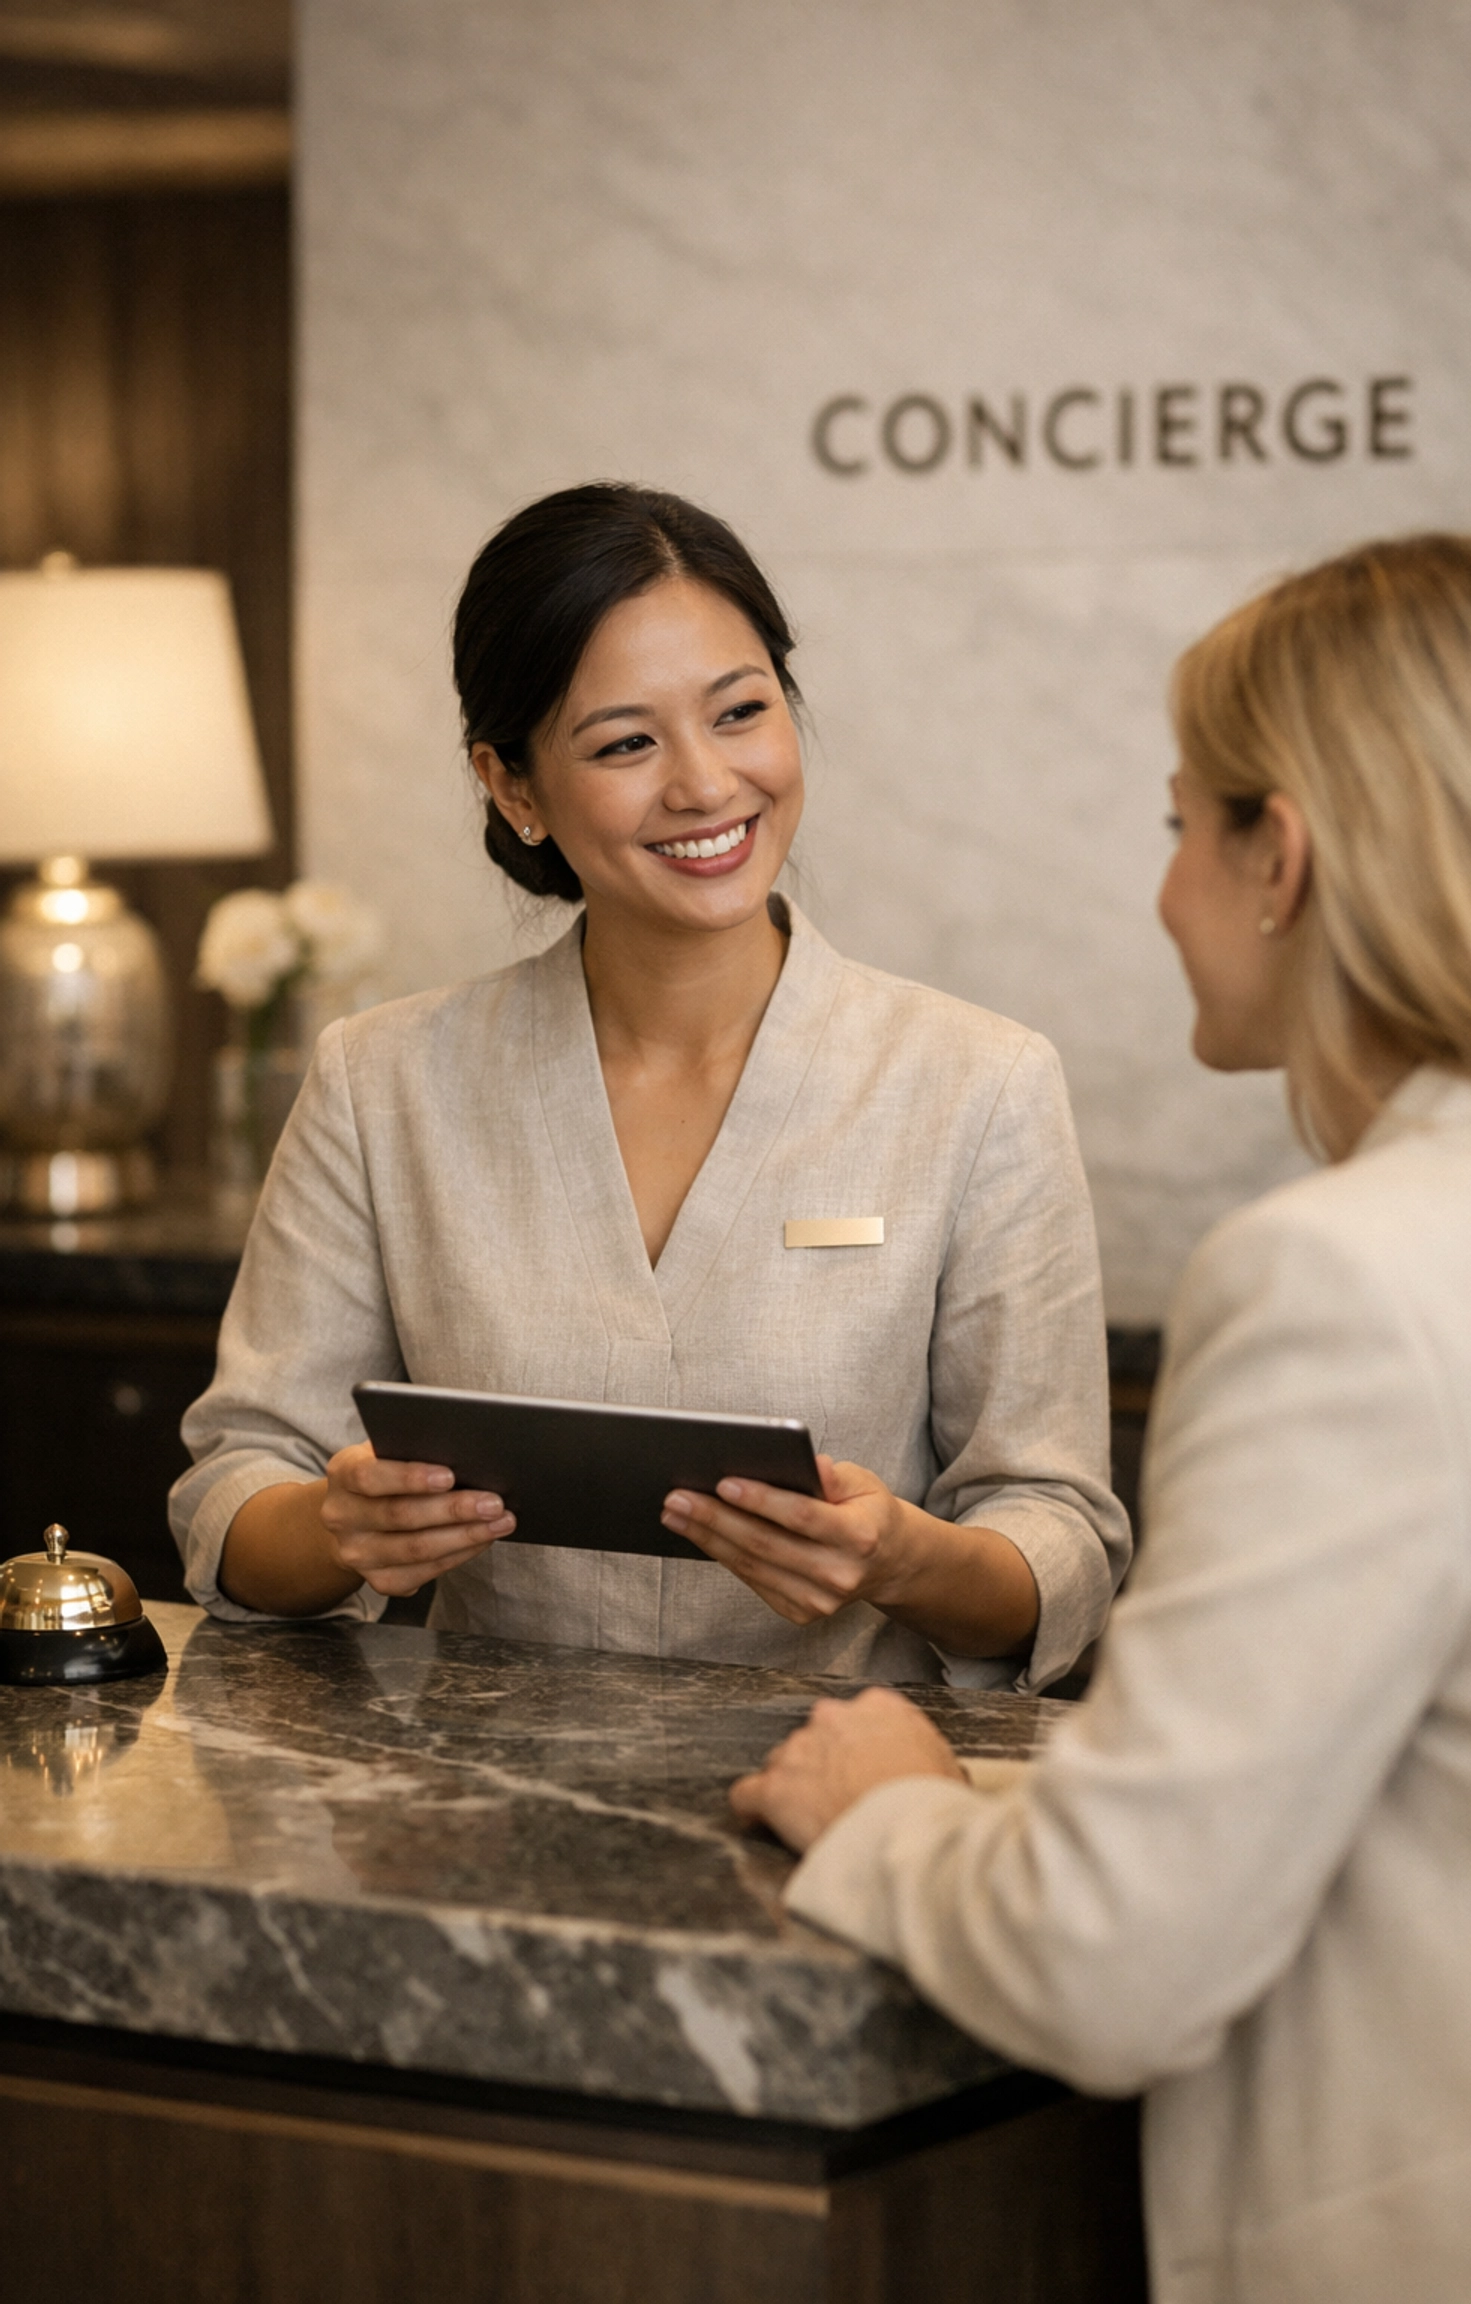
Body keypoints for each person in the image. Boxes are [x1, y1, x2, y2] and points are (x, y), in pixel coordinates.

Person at [734, 533, 1471, 2299]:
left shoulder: (1346, 1283)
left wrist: (893, 1802)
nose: (1164, 890)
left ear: (1284, 855)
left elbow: (1112, 1955)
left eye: (1180, 826)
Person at [172, 483, 1128, 1688]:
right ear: (514, 787)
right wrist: (333, 1527)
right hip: (478, 1810)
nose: (705, 785)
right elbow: (238, 1480)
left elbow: (1056, 1535)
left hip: (852, 1811)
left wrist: (901, 1558)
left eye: (741, 712)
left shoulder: (978, 1084)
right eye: (626, 742)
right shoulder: (384, 1083)